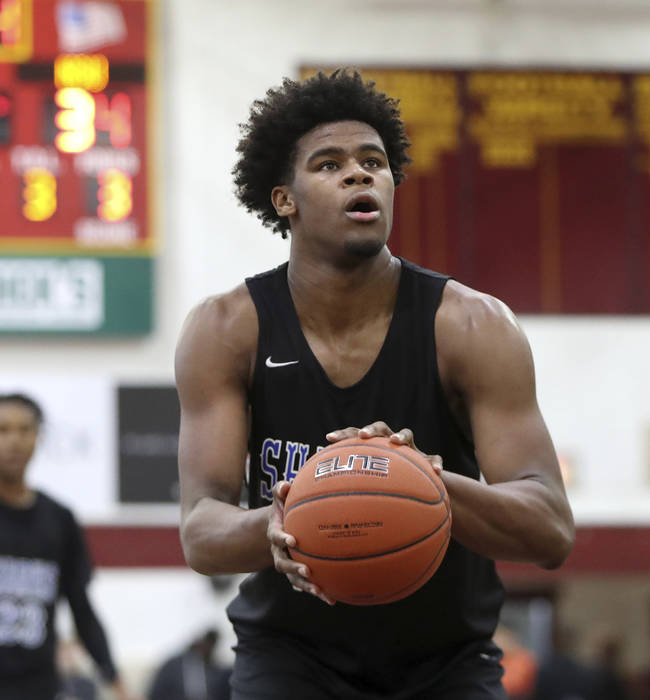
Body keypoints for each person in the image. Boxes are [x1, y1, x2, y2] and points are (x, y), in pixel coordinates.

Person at [174, 69, 575, 700]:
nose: (360, 175)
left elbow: (550, 529)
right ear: (285, 199)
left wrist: (424, 482)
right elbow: (200, 528)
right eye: (330, 164)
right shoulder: (228, 329)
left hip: (445, 661)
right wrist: (274, 526)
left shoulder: (472, 325)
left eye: (374, 162)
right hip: (291, 658)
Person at [0, 393, 134, 700]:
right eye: (3, 430)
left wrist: (116, 680)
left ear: (38, 437)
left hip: (38, 686)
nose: (14, 441)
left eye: (24, 430)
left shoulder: (58, 519)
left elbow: (81, 608)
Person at [147, 628, 232, 700]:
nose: (208, 648)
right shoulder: (173, 667)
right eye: (206, 643)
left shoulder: (216, 670)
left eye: (211, 644)